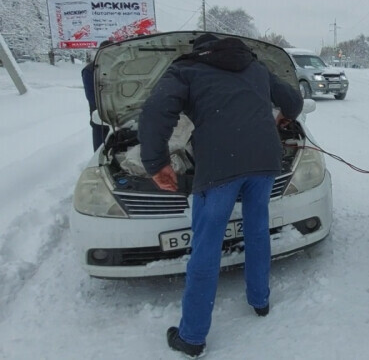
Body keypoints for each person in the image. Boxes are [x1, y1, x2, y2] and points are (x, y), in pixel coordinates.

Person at [138, 34, 303, 358]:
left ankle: (192, 337)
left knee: (207, 244)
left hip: (219, 167)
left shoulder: (186, 69)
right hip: (265, 159)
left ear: (199, 52)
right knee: (257, 228)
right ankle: (260, 300)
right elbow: (293, 102)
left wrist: (157, 163)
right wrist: (283, 117)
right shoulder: (254, 67)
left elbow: (156, 112)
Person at [81, 39, 112, 151]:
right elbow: (92, 97)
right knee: (100, 152)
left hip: (121, 119)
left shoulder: (119, 67)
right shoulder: (90, 70)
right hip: (100, 118)